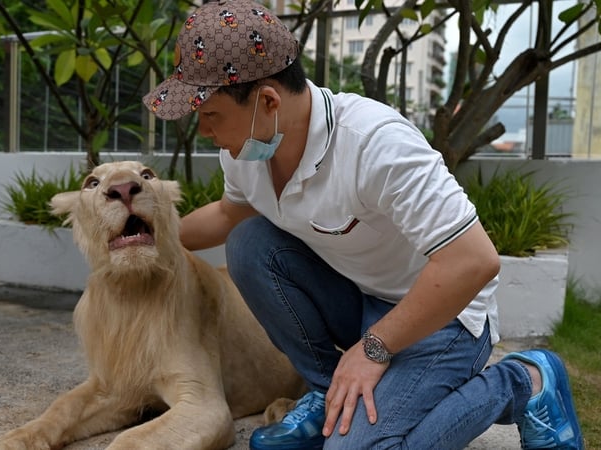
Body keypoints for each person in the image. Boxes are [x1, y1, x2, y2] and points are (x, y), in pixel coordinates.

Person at [142, 1, 585, 449]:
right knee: (249, 243)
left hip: (445, 317)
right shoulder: (247, 148)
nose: (203, 130)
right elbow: (226, 215)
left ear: (268, 101)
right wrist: (140, 238)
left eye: (210, 114)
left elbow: (474, 261)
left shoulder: (376, 145)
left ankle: (522, 381)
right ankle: (327, 393)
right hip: (363, 300)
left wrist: (374, 349)